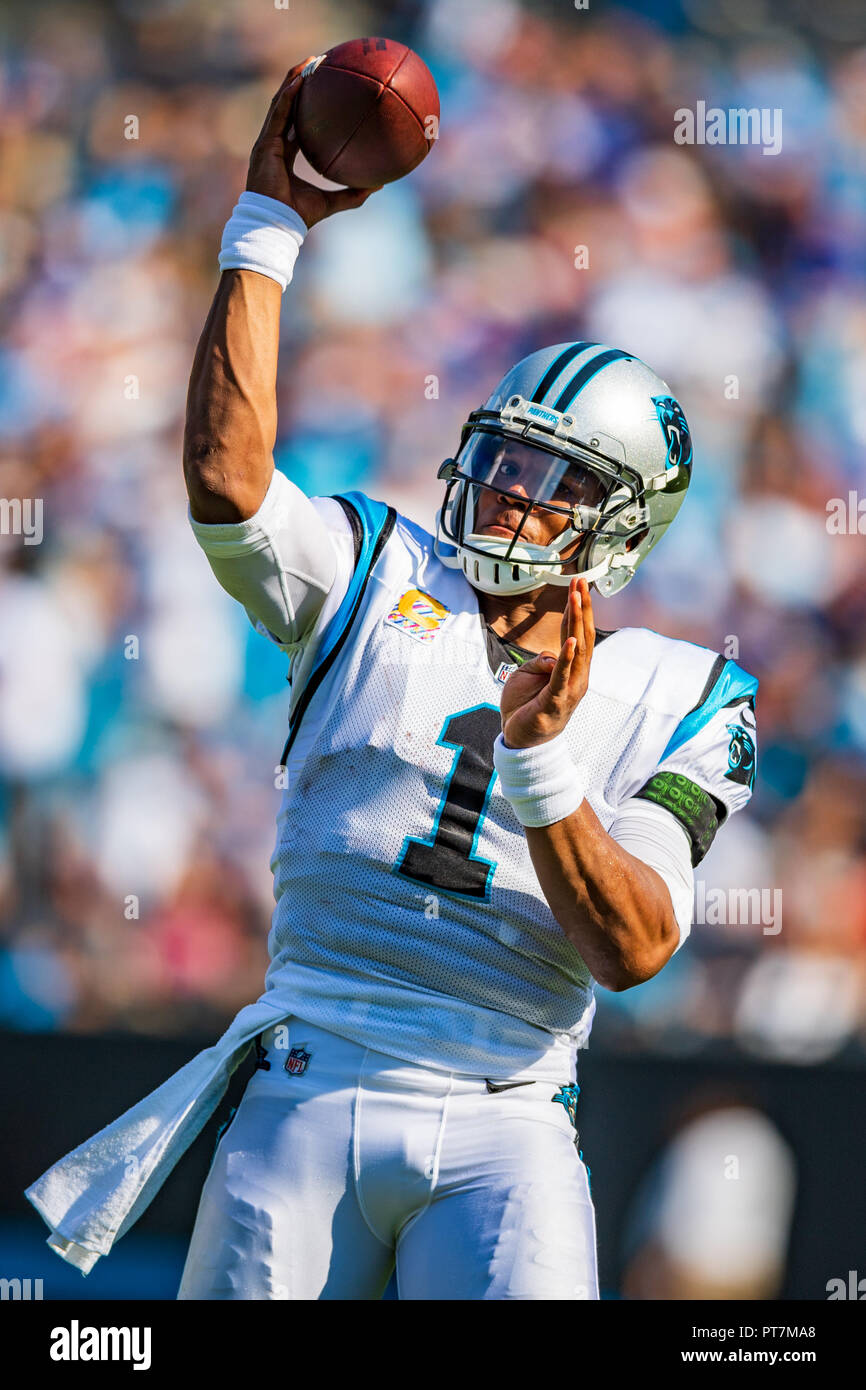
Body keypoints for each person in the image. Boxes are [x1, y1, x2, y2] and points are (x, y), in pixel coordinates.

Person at [25, 61, 758, 1300]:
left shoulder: (682, 692)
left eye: (558, 480)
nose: (516, 491)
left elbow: (631, 945)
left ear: (621, 531)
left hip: (506, 1118)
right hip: (309, 1074)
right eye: (508, 457)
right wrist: (267, 228)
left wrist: (537, 758)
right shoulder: (373, 566)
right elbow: (225, 481)